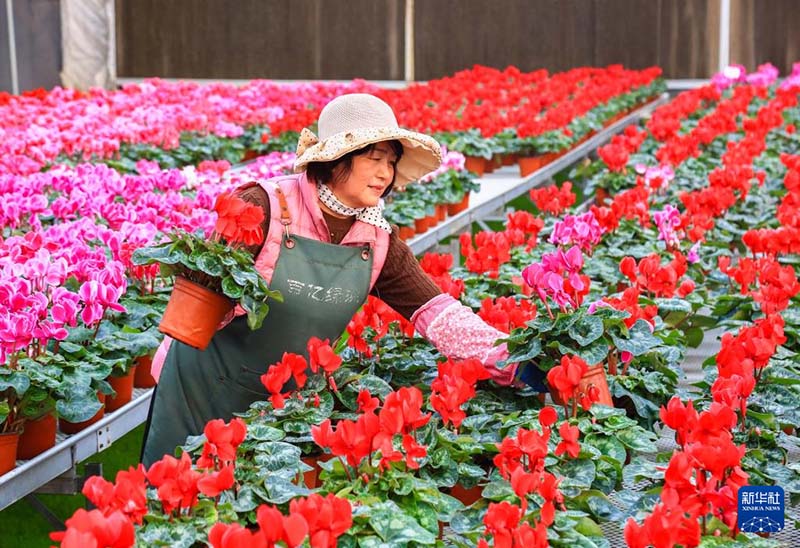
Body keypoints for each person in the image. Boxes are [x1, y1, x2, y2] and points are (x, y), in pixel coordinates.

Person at [141, 93, 522, 466]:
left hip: (280, 406)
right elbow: (205, 290)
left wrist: (519, 362)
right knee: (175, 505)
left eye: (391, 162)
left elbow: (438, 314)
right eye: (374, 159)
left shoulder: (376, 238)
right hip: (201, 389)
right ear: (336, 158)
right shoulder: (264, 206)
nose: (385, 173)